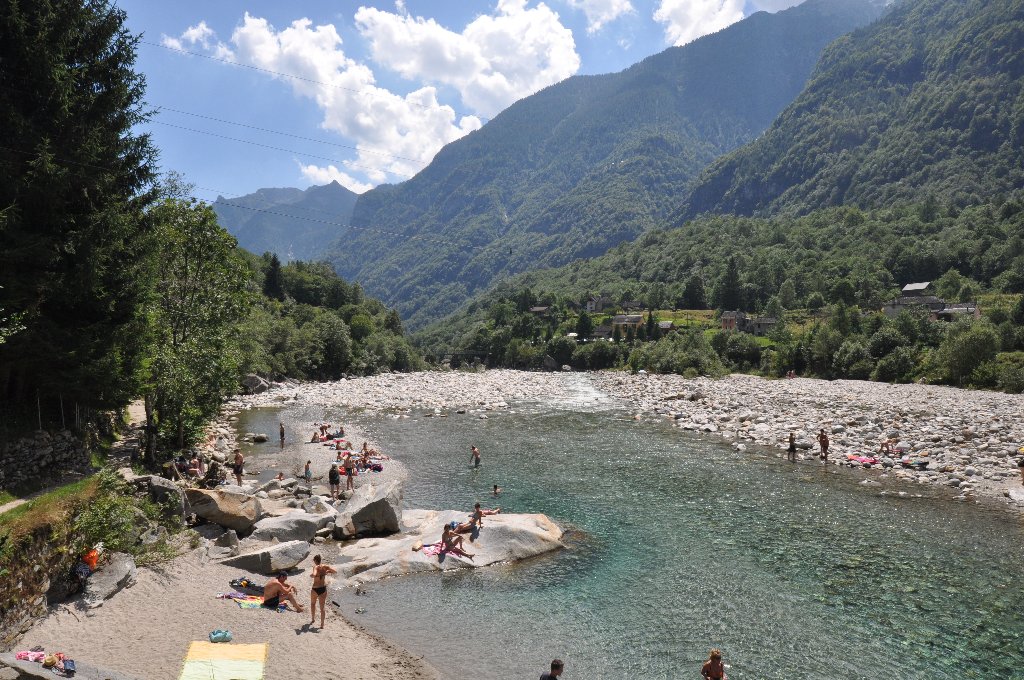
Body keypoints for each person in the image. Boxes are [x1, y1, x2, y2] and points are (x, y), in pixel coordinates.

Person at [309, 555, 336, 628]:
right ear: (320, 560)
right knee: (322, 607)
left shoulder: (316, 567)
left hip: (315, 588)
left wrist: (311, 575)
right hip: (323, 588)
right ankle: (322, 624)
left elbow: (314, 574)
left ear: (315, 560)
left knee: (313, 604)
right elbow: (335, 571)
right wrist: (327, 571)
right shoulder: (325, 566)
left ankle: (313, 619)